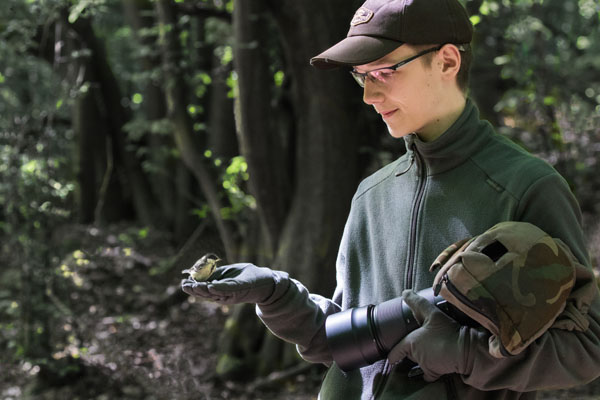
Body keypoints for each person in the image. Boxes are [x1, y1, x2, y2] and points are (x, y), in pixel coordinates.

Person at [182, 0, 600, 398]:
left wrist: (464, 354)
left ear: (447, 61)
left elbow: (586, 349)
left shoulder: (527, 186)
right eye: (361, 76)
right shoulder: (372, 194)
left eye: (384, 71)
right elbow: (345, 343)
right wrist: (275, 295)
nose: (368, 95)